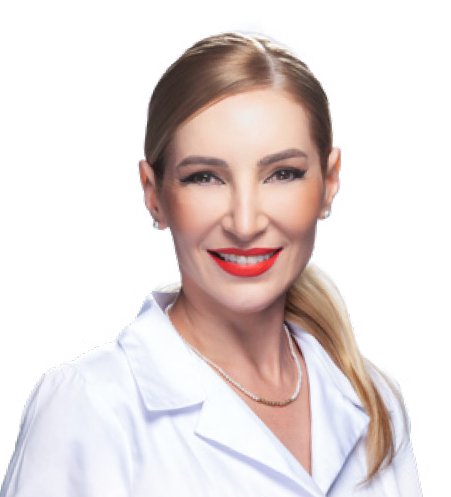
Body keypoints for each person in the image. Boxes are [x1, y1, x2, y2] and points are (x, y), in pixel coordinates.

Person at [0, 31, 422, 497]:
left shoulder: (373, 400)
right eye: (205, 177)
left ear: (329, 182)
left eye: (282, 174)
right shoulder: (91, 409)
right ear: (153, 194)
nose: (245, 222)